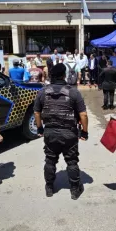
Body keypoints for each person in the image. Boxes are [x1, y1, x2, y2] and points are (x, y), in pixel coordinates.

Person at [33, 63, 89, 199]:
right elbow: (83, 115)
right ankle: (75, 190)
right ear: (64, 75)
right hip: (69, 133)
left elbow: (36, 113)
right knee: (72, 161)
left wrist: (40, 128)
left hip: (50, 132)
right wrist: (85, 132)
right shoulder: (74, 92)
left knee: (50, 160)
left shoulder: (42, 92)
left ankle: (49, 188)